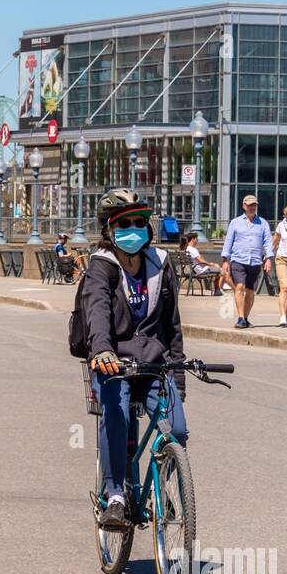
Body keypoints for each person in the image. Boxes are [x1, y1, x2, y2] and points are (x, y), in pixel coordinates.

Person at [76, 190, 186, 529]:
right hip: (115, 364)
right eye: (126, 223)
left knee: (177, 429)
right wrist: (102, 351)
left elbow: (173, 324)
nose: (134, 229)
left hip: (155, 363)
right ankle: (116, 496)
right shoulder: (101, 267)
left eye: (140, 222)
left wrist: (179, 374)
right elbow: (96, 310)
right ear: (109, 229)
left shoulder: (160, 263)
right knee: (117, 414)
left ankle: (164, 480)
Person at [220, 194, 274, 329]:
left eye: (254, 205)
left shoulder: (263, 223)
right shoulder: (235, 222)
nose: (252, 207)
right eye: (249, 205)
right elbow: (228, 242)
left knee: (250, 291)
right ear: (244, 206)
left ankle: (245, 318)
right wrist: (225, 260)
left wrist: (268, 258)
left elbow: (268, 243)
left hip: (255, 261)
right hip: (238, 260)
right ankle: (240, 318)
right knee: (239, 287)